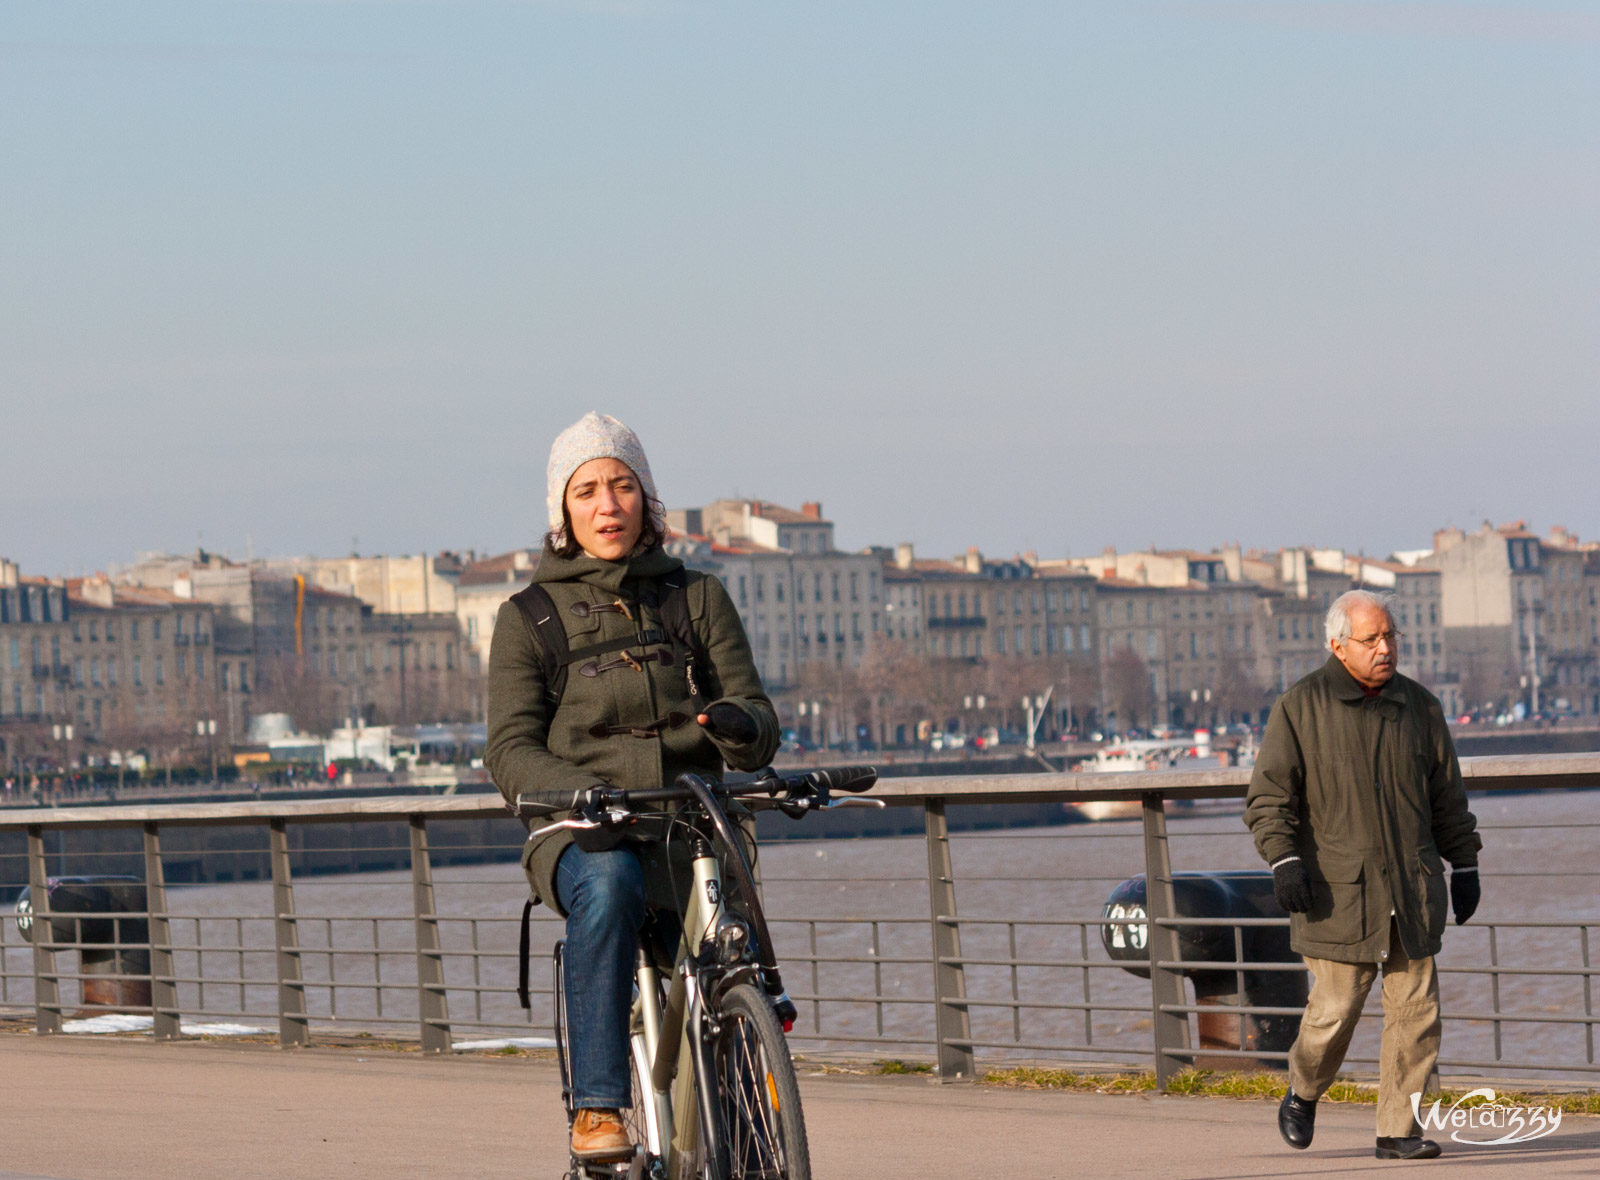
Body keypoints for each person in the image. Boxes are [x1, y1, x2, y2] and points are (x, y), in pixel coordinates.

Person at [486, 412, 779, 1163]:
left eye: (622, 486)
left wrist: (735, 725)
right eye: (587, 491)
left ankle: (746, 1126)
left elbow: (757, 718)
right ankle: (598, 1108)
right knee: (611, 882)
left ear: (648, 500)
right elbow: (510, 751)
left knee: (727, 948)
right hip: (582, 830)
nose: (607, 505)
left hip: (689, 820)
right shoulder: (529, 619)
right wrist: (578, 791)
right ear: (563, 512)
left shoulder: (698, 596)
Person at [1244, 589, 1481, 1161]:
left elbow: (1446, 796)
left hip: (1412, 889)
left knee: (1416, 1015)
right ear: (1337, 644)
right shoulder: (1301, 707)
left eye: (1390, 636)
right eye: (1371, 638)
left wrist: (1465, 861)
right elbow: (1268, 799)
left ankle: (1398, 1130)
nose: (1385, 648)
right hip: (1337, 895)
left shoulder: (1421, 708)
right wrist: (1284, 860)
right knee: (1333, 1012)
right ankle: (1302, 1091)